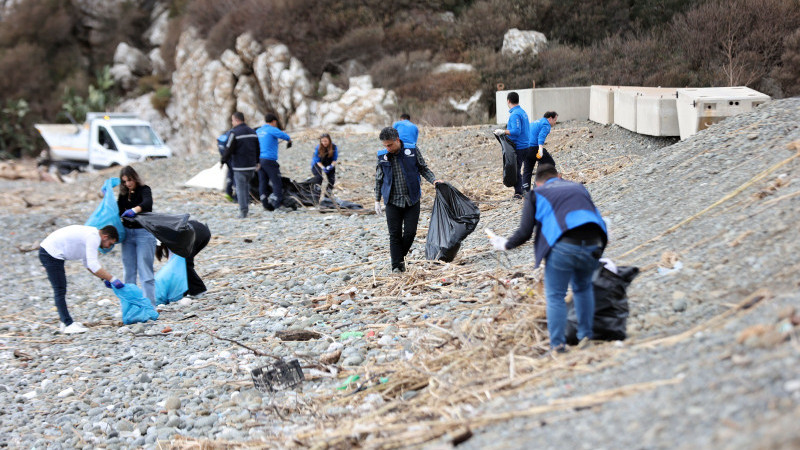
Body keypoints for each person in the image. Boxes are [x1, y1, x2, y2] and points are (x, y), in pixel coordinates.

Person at [487, 164, 607, 352]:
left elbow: (525, 232)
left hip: (563, 245)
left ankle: (558, 345)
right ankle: (587, 336)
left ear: (537, 182)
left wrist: (504, 244)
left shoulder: (536, 194)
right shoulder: (578, 187)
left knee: (556, 296)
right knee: (583, 288)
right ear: (559, 176)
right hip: (594, 241)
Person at [374, 127, 442, 273]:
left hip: (412, 199)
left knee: (410, 233)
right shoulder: (382, 156)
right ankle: (396, 266)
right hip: (392, 201)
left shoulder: (411, 151)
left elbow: (423, 168)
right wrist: (376, 200)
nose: (387, 148)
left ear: (397, 140)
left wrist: (434, 181)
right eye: (385, 145)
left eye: (390, 145)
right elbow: (379, 179)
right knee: (394, 234)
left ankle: (399, 259)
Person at [39, 225, 122, 334]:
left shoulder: (91, 235)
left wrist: (104, 279)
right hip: (50, 253)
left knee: (60, 288)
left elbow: (87, 263)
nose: (108, 247)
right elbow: (93, 265)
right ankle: (68, 324)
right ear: (105, 237)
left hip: (51, 252)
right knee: (59, 289)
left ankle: (65, 322)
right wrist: (113, 279)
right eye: (110, 244)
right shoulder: (94, 237)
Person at [117, 165, 157, 304]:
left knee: (145, 270)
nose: (128, 184)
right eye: (124, 181)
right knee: (129, 271)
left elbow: (147, 203)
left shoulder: (144, 190)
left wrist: (135, 210)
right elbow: (117, 210)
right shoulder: (123, 195)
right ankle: (131, 304)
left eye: (130, 180)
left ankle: (150, 304)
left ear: (135, 178)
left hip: (143, 233)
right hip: (127, 234)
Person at [155, 220, 211, 298]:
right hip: (200, 232)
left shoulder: (167, 239)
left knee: (185, 264)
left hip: (197, 234)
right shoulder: (164, 238)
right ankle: (189, 290)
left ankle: (199, 290)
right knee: (182, 264)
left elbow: (174, 264)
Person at [220, 112, 260, 218]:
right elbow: (258, 148)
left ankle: (243, 212)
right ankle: (246, 208)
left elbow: (229, 149)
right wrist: (257, 162)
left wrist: (223, 160)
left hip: (240, 166)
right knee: (246, 187)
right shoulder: (252, 132)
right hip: (251, 166)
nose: (232, 123)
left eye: (232, 120)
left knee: (241, 189)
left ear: (237, 120)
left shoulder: (234, 133)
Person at [494, 92, 531, 198]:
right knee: (519, 169)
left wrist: (503, 132)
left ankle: (518, 192)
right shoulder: (522, 112)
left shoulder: (515, 114)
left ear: (508, 101)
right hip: (526, 145)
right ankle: (524, 190)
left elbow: (516, 131)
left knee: (515, 170)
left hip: (520, 146)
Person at [255, 113, 292, 211]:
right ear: (274, 122)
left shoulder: (259, 130)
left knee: (263, 181)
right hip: (269, 160)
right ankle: (277, 205)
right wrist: (290, 141)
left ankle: (265, 204)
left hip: (259, 160)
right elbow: (286, 136)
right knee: (277, 182)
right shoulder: (272, 129)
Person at [524, 111, 558, 191]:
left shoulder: (535, 122)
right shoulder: (546, 124)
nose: (555, 122)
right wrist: (540, 149)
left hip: (525, 148)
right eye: (555, 120)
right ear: (550, 118)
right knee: (550, 162)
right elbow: (541, 137)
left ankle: (525, 190)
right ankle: (538, 185)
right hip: (534, 147)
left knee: (527, 170)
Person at [311, 133, 338, 198]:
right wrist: (323, 167)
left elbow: (334, 160)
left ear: (329, 140)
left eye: (325, 141)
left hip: (329, 162)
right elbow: (317, 161)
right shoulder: (318, 147)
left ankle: (327, 197)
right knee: (319, 178)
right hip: (317, 164)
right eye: (322, 141)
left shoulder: (334, 147)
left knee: (331, 180)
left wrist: (331, 166)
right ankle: (316, 197)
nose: (324, 143)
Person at [217, 131, 235, 203]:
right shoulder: (233, 135)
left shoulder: (225, 135)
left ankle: (228, 192)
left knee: (230, 172)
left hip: (225, 156)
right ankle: (236, 195)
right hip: (231, 157)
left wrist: (223, 160)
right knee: (235, 173)